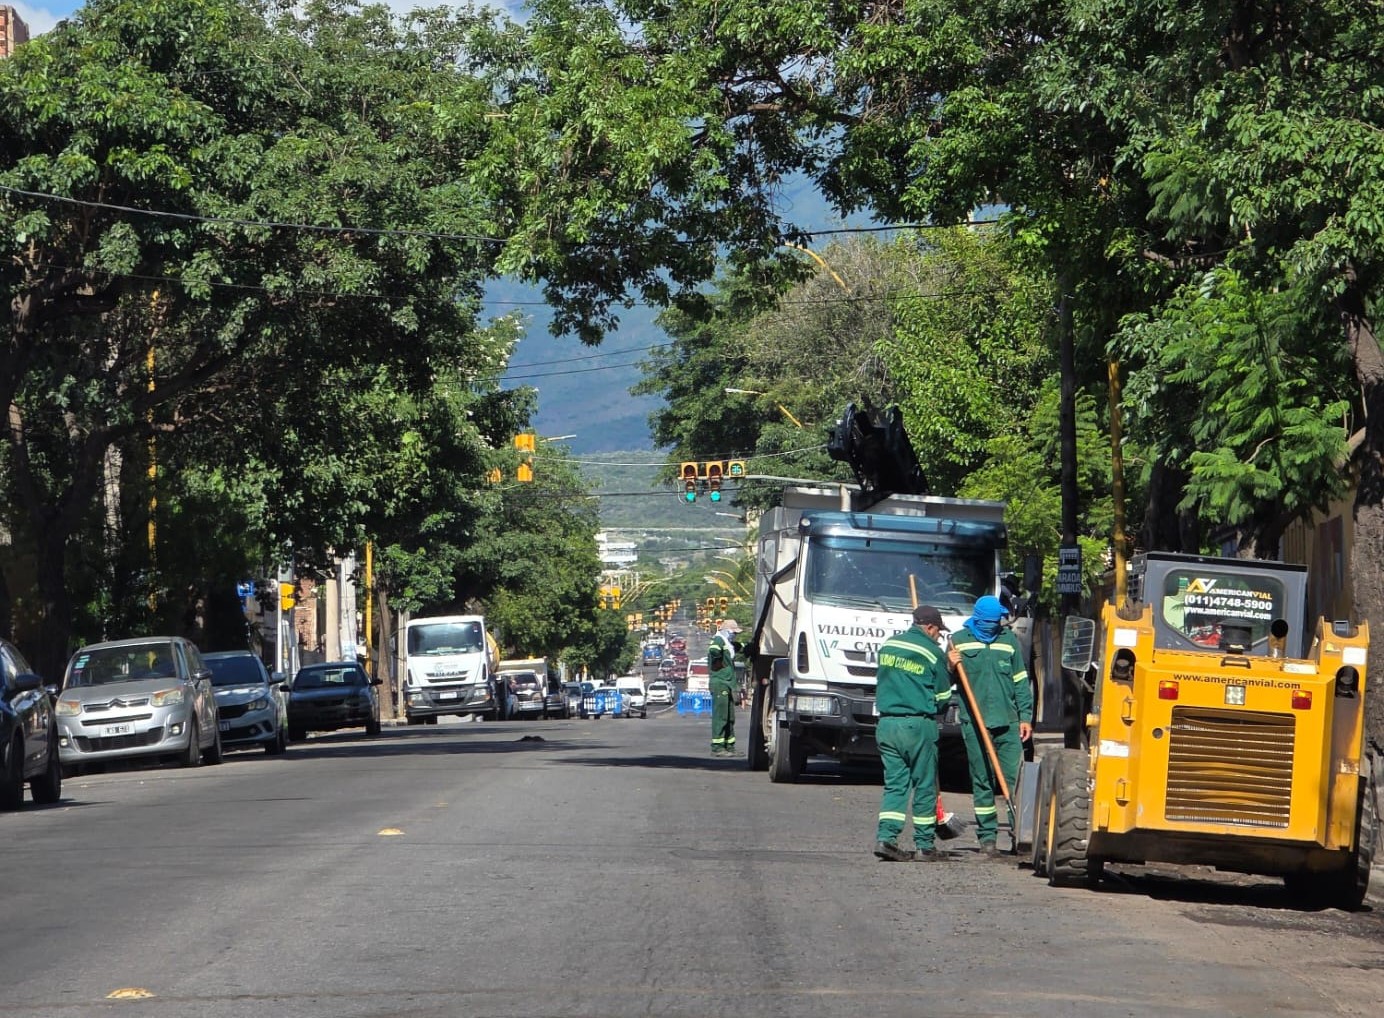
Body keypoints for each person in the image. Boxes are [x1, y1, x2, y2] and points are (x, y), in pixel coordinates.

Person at [947, 594, 1033, 856]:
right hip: (975, 723)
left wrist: (1025, 716)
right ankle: (987, 838)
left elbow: (1020, 680)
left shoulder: (1008, 641)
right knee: (982, 780)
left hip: (1007, 722)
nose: (992, 626)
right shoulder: (958, 641)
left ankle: (1021, 834)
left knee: (1015, 780)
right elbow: (944, 681)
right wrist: (949, 666)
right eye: (989, 622)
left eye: (996, 622)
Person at [873, 605, 953, 862]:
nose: (939, 637)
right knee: (924, 785)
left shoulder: (888, 646)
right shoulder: (933, 653)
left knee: (895, 785)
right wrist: (949, 669)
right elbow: (942, 699)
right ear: (930, 627)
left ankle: (886, 839)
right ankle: (924, 845)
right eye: (939, 632)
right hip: (917, 725)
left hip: (886, 725)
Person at [708, 619, 741, 755]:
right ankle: (717, 747)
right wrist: (718, 649)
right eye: (734, 632)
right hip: (720, 682)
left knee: (729, 717)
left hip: (728, 682)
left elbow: (741, 647)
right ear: (727, 631)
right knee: (721, 716)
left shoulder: (729, 643)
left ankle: (729, 746)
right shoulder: (719, 640)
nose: (735, 635)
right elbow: (713, 651)